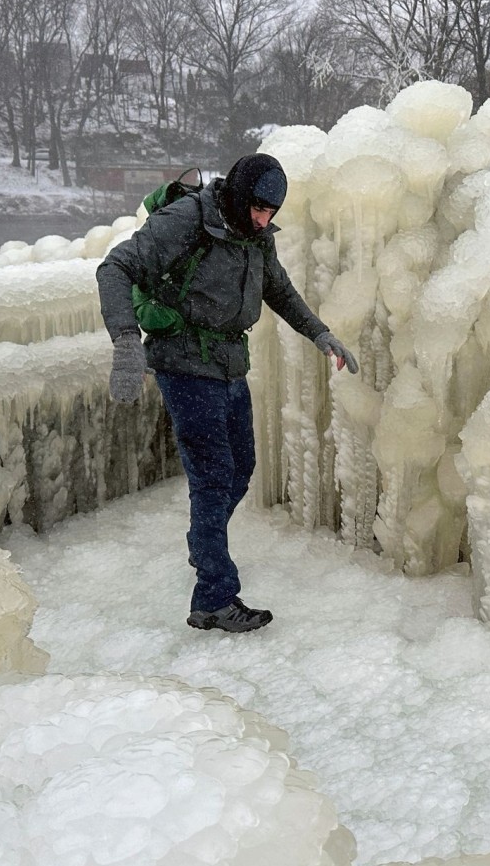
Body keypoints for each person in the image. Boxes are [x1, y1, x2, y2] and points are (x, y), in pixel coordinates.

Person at [97, 153, 358, 634]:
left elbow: (279, 291)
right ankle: (214, 597)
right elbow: (115, 268)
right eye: (258, 209)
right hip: (183, 363)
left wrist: (321, 334)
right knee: (214, 475)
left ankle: (204, 543)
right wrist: (127, 342)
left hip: (229, 364)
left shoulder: (256, 237)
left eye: (272, 213)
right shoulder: (188, 219)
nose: (264, 220)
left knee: (241, 468)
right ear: (239, 196)